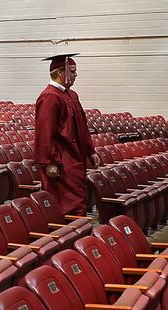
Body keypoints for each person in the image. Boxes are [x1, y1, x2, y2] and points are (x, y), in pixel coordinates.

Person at [34, 53, 100, 216]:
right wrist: (49, 162)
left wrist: (90, 151)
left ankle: (79, 234)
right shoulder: (50, 96)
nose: (76, 74)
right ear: (60, 73)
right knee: (67, 202)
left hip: (76, 157)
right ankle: (67, 235)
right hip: (62, 160)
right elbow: (45, 131)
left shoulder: (71, 95)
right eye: (72, 71)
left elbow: (82, 127)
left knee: (79, 198)